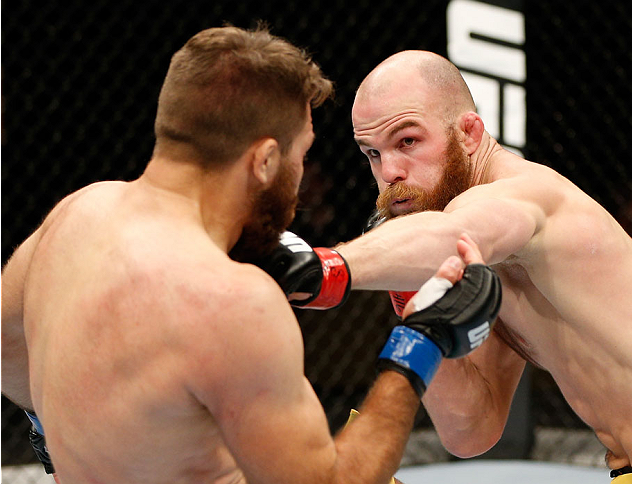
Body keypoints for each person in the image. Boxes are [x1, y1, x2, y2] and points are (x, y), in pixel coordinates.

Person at [0, 28, 504, 484]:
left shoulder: (72, 216)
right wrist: (419, 342)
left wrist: (66, 443)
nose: (303, 177)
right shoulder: (232, 301)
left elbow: (7, 349)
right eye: (301, 155)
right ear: (264, 160)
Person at [267, 50, 632, 482]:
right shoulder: (487, 263)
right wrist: (416, 308)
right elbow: (472, 430)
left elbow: (454, 233)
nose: (390, 171)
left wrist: (322, 270)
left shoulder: (524, 196)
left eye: (408, 141)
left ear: (469, 133)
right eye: (373, 154)